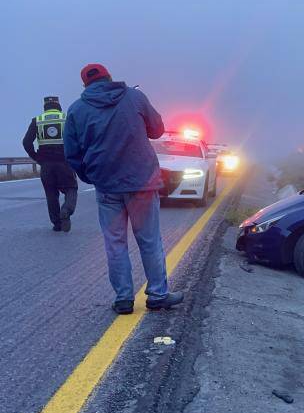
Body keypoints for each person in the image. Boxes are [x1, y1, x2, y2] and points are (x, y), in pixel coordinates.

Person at [64, 63, 183, 315]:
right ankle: (158, 295)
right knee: (149, 241)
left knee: (115, 244)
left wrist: (91, 176)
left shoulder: (76, 110)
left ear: (85, 85)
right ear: (109, 77)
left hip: (107, 186)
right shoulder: (135, 97)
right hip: (141, 182)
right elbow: (158, 129)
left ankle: (123, 299)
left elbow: (72, 153)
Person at [22, 96, 78, 232]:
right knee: (71, 188)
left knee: (51, 194)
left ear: (45, 107)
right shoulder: (67, 118)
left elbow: (26, 142)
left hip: (46, 164)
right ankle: (66, 210)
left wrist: (37, 158)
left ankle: (57, 224)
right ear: (58, 105)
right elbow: (77, 139)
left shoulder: (37, 121)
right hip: (65, 162)